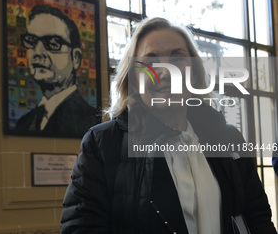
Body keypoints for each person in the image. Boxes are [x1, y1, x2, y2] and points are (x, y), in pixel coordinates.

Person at [60, 17, 277, 233]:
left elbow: (258, 219)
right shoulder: (103, 144)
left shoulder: (229, 139)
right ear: (134, 78)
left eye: (177, 59)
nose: (164, 73)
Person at [15, 4, 98, 137]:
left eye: (53, 43)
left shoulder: (91, 121)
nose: (38, 52)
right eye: (32, 41)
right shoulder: (24, 123)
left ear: (75, 58)